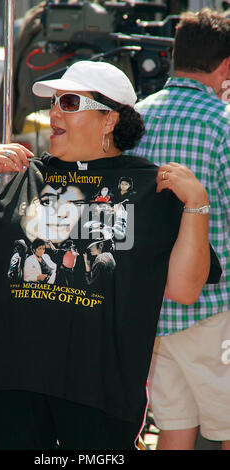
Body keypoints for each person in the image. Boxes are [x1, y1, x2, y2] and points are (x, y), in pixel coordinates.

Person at [0, 60, 219, 450]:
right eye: (55, 102)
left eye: (71, 102)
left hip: (99, 387)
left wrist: (197, 205)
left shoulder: (150, 187)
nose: (55, 111)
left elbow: (183, 289)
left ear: (109, 119)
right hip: (10, 379)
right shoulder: (29, 176)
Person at [131, 9, 230, 450]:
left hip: (150, 305)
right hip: (214, 308)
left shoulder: (133, 119)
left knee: (173, 430)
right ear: (225, 66)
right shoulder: (224, 125)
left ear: (175, 56)